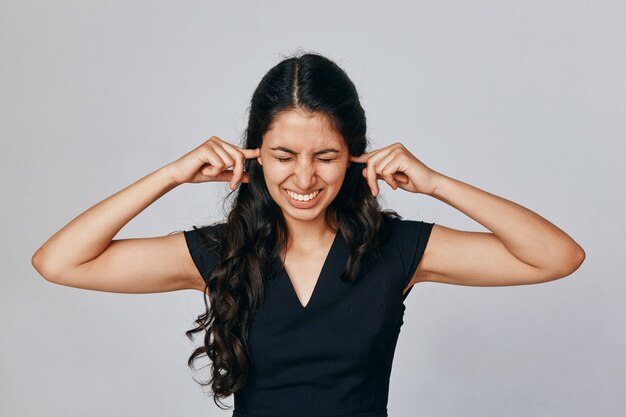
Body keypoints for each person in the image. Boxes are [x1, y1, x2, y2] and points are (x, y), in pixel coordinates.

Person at [31, 52, 585, 417]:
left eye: (325, 156)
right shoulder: (219, 253)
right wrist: (171, 174)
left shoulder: (397, 250)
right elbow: (60, 262)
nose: (303, 179)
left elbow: (557, 257)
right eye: (282, 155)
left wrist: (436, 183)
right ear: (254, 155)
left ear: (353, 156)